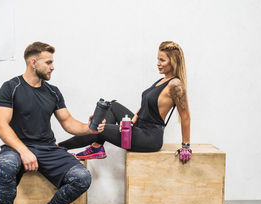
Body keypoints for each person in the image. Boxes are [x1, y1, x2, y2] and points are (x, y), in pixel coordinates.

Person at [0, 42, 105, 204]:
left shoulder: (53, 91)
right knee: (5, 166)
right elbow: (1, 126)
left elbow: (68, 122)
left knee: (82, 178)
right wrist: (24, 151)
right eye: (49, 62)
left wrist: (89, 128)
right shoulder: (10, 87)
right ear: (33, 62)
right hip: (16, 147)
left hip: (47, 148)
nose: (53, 67)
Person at [58, 41, 191, 163]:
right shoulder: (162, 80)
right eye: (157, 59)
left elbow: (185, 116)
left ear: (173, 61)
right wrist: (131, 123)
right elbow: (144, 107)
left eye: (162, 60)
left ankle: (59, 148)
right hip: (140, 126)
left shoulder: (175, 85)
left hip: (149, 137)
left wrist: (186, 146)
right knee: (113, 106)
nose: (158, 63)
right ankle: (97, 147)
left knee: (98, 127)